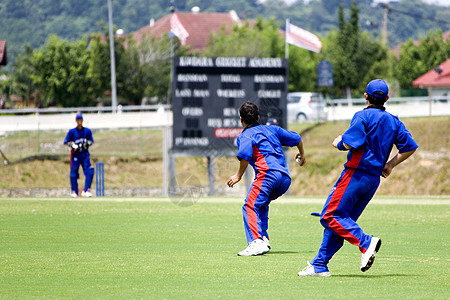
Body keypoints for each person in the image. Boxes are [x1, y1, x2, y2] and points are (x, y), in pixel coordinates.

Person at [298, 79, 418, 277]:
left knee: (329, 216)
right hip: (373, 181)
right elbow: (410, 147)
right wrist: (389, 165)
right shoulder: (394, 121)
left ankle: (366, 242)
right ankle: (320, 264)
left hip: (355, 175)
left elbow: (352, 142)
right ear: (386, 99)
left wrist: (338, 142)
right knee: (342, 222)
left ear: (365, 96)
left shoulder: (362, 115)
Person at [227, 101, 306, 256]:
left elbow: (244, 156)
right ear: (258, 116)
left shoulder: (245, 135)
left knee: (249, 206)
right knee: (261, 205)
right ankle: (263, 237)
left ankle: (256, 242)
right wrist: (302, 154)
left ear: (241, 119)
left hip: (268, 175)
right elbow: (297, 138)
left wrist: (238, 176)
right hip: (284, 179)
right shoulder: (272, 129)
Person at [64, 113, 95, 197]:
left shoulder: (87, 131)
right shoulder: (72, 132)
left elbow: (91, 141)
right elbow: (66, 141)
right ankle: (74, 191)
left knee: (90, 170)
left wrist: (87, 143)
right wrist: (72, 145)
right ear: (76, 121)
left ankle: (87, 190)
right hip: (75, 155)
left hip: (84, 154)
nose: (79, 121)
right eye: (78, 120)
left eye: (80, 120)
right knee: (73, 172)